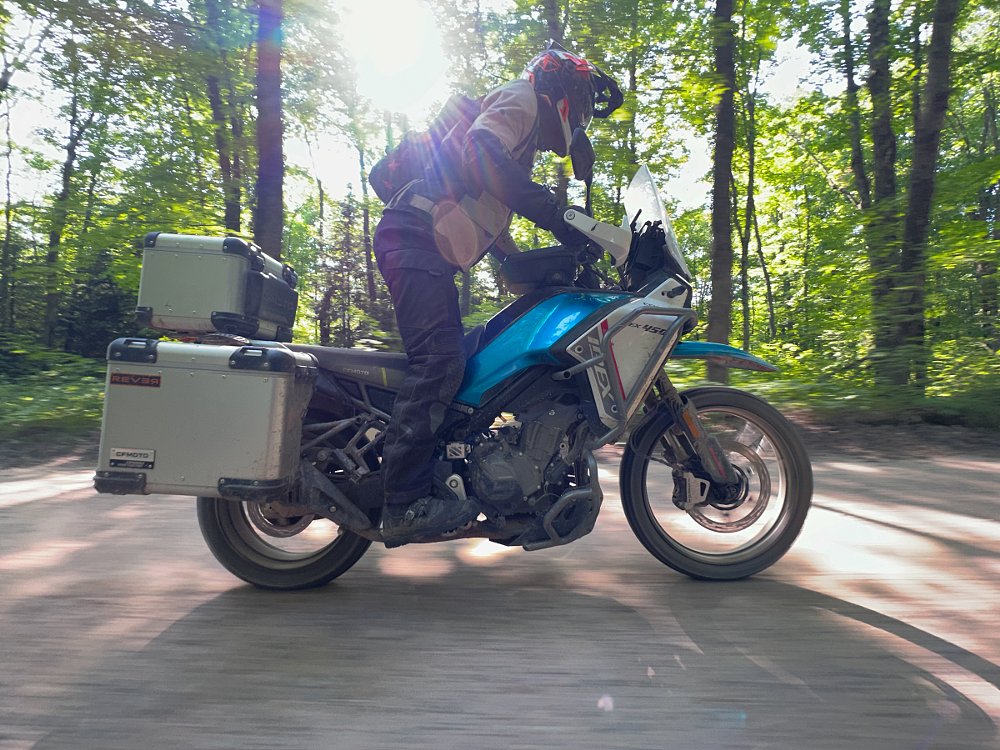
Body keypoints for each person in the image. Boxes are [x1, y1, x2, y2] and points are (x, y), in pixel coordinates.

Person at [373, 42, 623, 546]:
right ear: (566, 94)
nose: (585, 122)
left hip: (424, 247)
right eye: (586, 107)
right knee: (439, 362)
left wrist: (531, 264)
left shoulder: (522, 138)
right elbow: (481, 156)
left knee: (468, 358)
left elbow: (486, 208)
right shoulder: (523, 99)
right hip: (412, 239)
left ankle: (444, 468)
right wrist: (562, 219)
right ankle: (401, 503)